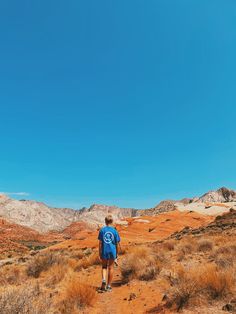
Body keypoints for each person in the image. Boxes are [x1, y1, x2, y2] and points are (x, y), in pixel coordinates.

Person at [98, 214, 120, 292]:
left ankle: (104, 279)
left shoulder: (102, 230)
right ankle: (109, 286)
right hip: (112, 251)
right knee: (111, 267)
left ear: (105, 221)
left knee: (104, 267)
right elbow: (117, 244)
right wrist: (117, 254)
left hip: (104, 250)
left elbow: (100, 243)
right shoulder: (115, 231)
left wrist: (99, 253)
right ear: (112, 221)